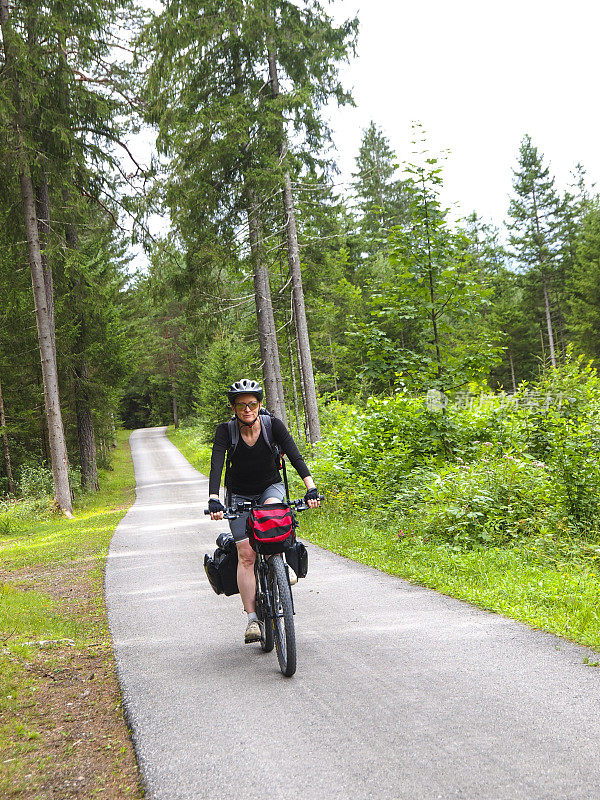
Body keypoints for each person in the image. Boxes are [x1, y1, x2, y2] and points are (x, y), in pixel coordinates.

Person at [208, 378, 320, 643]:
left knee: (273, 517)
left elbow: (295, 456)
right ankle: (252, 620)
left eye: (252, 404)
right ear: (234, 408)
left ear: (259, 405)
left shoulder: (273, 426)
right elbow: (216, 465)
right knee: (245, 554)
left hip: (270, 487)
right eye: (241, 405)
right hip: (239, 494)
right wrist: (214, 499)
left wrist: (311, 488)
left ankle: (279, 564)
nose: (247, 409)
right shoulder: (226, 432)